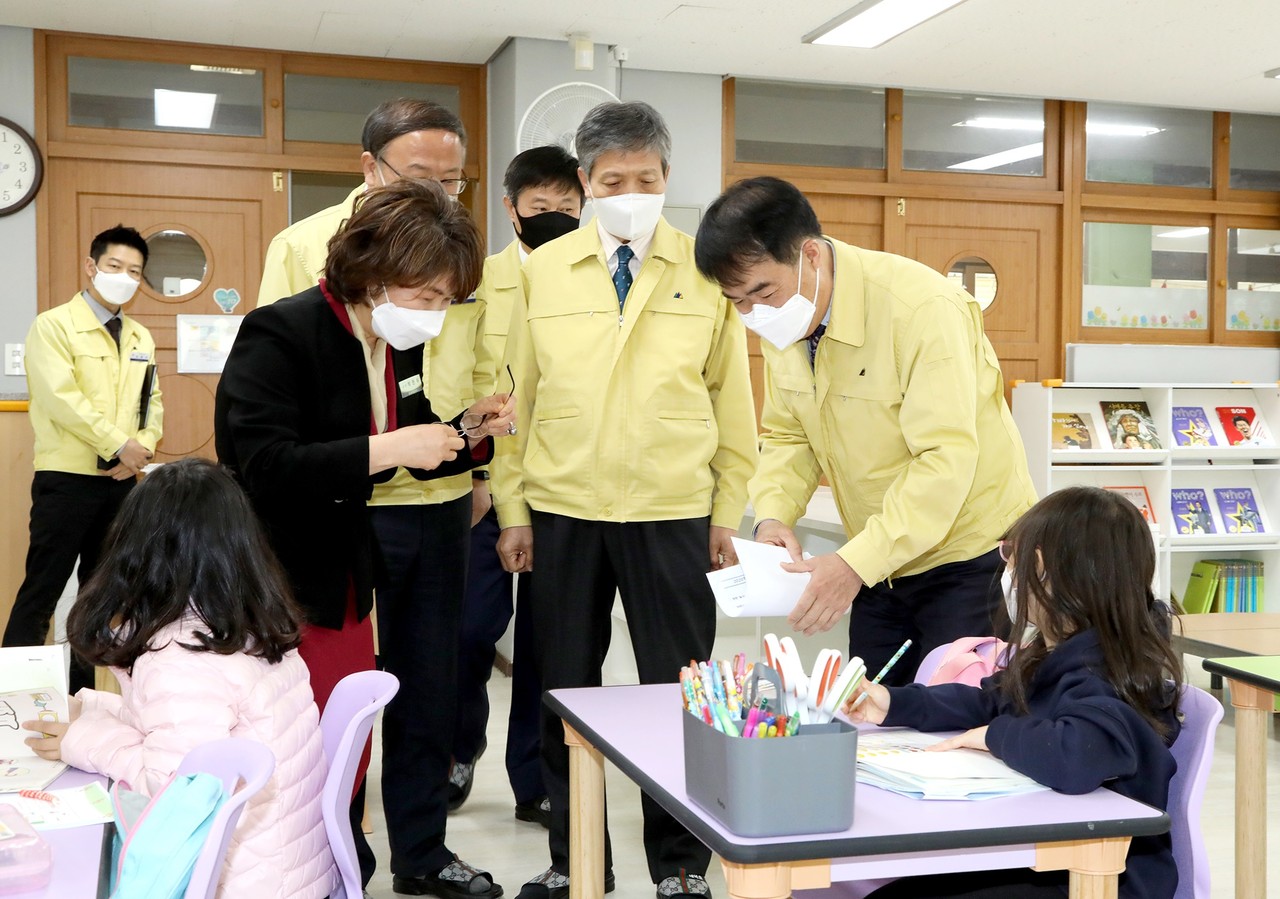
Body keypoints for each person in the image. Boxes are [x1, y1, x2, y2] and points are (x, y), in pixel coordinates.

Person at [216, 178, 513, 896]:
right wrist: (389, 450)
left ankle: (372, 860)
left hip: (345, 566)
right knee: (304, 741)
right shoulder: (282, 331)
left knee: (353, 732)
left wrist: (466, 432)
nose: (439, 315)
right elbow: (258, 461)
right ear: (376, 274)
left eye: (449, 299)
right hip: (286, 573)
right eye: (429, 296)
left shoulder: (386, 340)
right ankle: (314, 867)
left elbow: (390, 441)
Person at [493, 101, 758, 899]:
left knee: (681, 694)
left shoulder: (704, 271)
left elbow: (734, 401)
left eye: (647, 179)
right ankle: (577, 859)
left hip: (673, 510)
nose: (631, 191)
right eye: (614, 180)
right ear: (585, 182)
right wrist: (513, 510)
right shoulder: (544, 271)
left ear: (668, 179)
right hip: (564, 509)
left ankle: (680, 863)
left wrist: (725, 512)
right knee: (562, 687)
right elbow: (516, 399)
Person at [693, 176, 1036, 685]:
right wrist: (772, 518)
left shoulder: (921, 309)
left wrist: (853, 565)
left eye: (762, 291)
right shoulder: (784, 320)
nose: (752, 314)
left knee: (957, 720)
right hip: (880, 561)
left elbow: (944, 460)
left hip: (970, 559)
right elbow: (790, 437)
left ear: (809, 255)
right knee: (872, 718)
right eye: (736, 300)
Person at [846, 486, 1183, 899]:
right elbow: (988, 699)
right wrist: (894, 702)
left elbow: (1077, 754)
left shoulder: (1109, 673)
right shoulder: (1057, 652)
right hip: (1048, 855)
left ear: (1043, 569)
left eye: (1011, 555)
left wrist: (992, 736)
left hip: (1100, 879)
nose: (1007, 569)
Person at [24, 458, 337, 899]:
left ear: (134, 548)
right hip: (289, 868)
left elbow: (173, 791)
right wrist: (92, 708)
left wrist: (83, 740)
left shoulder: (180, 656)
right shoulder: (241, 621)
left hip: (242, 880)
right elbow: (180, 728)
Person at [450, 145, 584, 826]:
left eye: (568, 205)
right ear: (511, 209)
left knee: (545, 640)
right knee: (472, 629)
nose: (556, 217)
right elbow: (462, 379)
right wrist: (477, 473)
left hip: (561, 487)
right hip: (483, 484)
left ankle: (534, 775)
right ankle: (460, 741)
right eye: (541, 207)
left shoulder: (599, 281)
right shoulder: (476, 278)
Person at [4, 225, 163, 696]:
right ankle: (12, 694)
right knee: (43, 589)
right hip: (66, 480)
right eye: (115, 267)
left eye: (134, 271)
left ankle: (80, 695)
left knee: (101, 593)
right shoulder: (53, 325)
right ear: (91, 266)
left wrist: (142, 448)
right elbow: (60, 398)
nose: (124, 277)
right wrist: (119, 444)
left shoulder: (140, 335)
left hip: (119, 484)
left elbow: (152, 401)